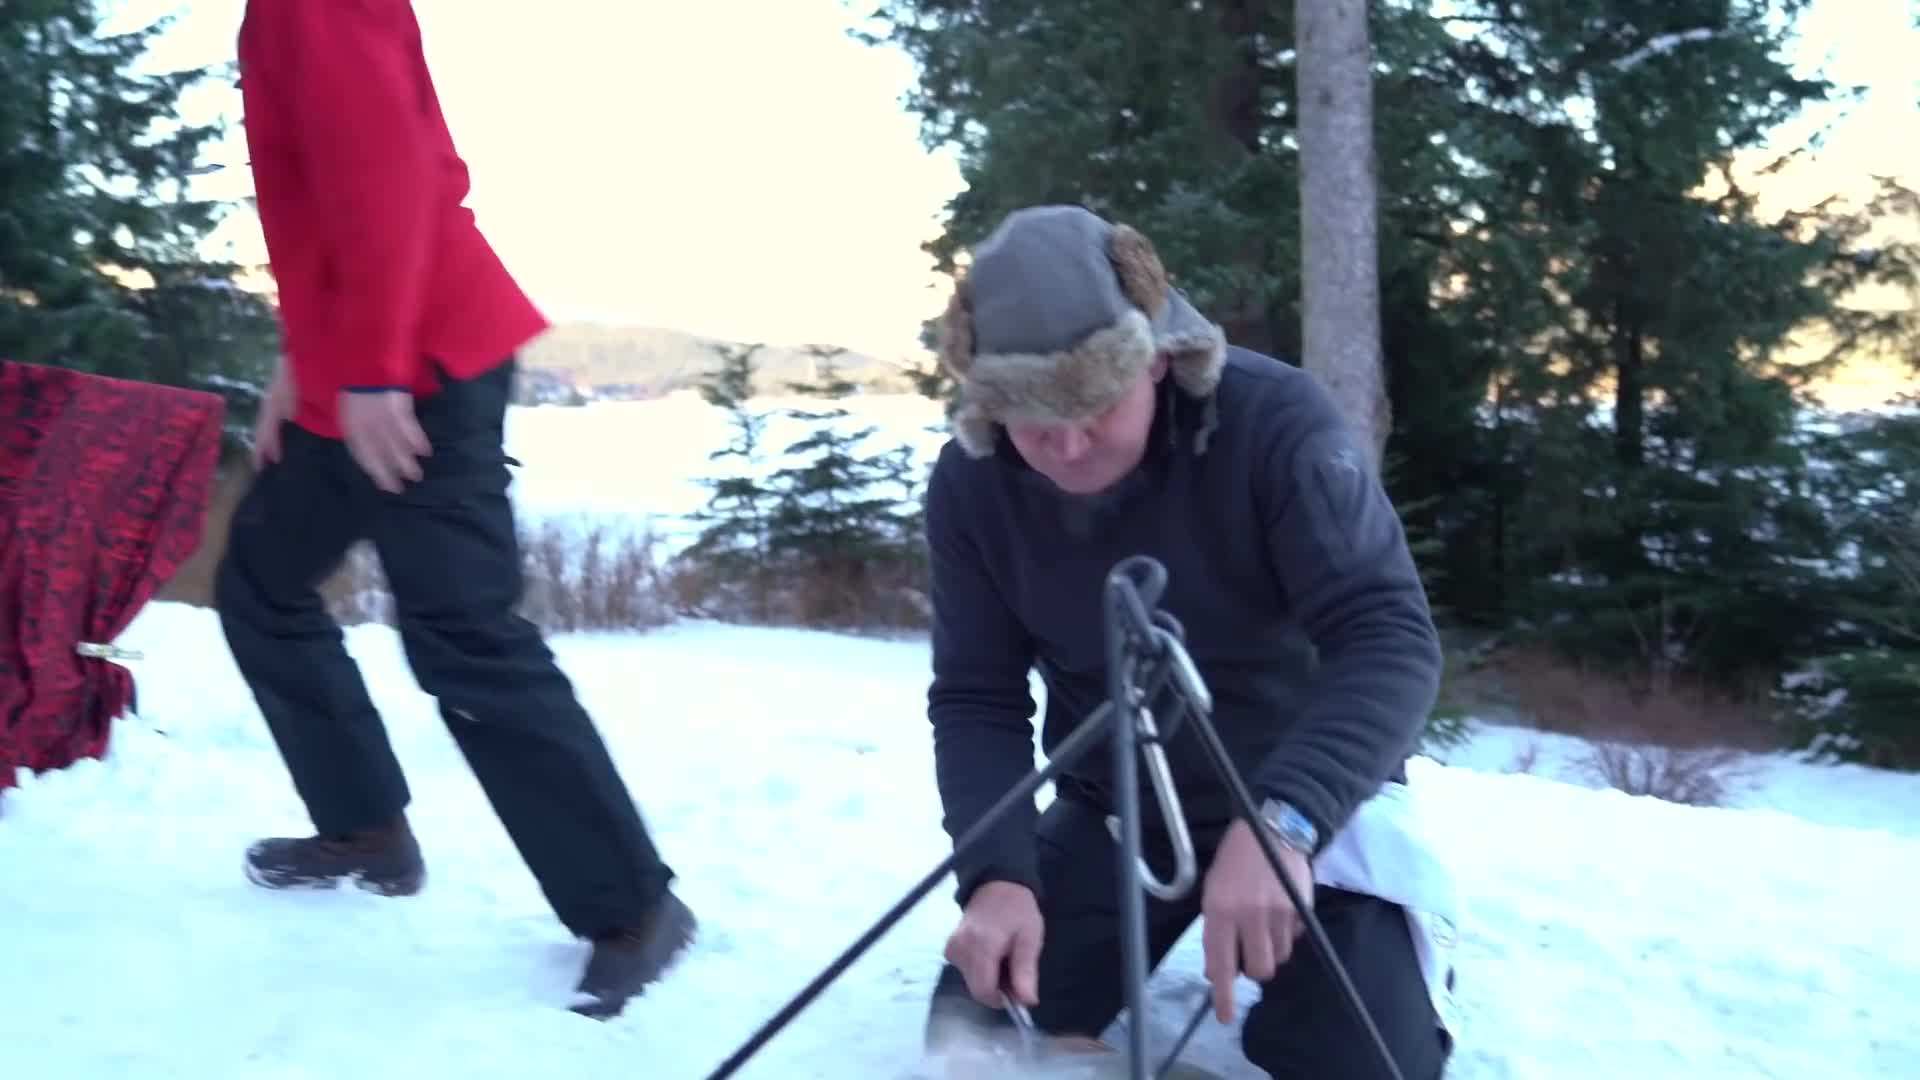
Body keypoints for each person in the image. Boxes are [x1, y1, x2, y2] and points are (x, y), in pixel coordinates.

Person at [215, 0, 694, 1021]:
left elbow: (391, 181)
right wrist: (301, 364)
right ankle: (365, 830)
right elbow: (321, 211)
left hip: (417, 362)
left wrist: (382, 371)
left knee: (464, 637)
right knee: (260, 577)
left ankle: (634, 907)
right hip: (355, 368)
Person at [918, 204, 1461, 1078]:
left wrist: (1285, 820)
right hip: (1121, 805)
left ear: (1160, 358)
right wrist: (996, 878)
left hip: (1311, 808)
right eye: (1027, 415)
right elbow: (977, 699)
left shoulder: (1276, 425)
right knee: (979, 1019)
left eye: (1091, 404)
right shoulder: (975, 486)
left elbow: (1388, 639)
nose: (1062, 444)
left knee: (1367, 1060)